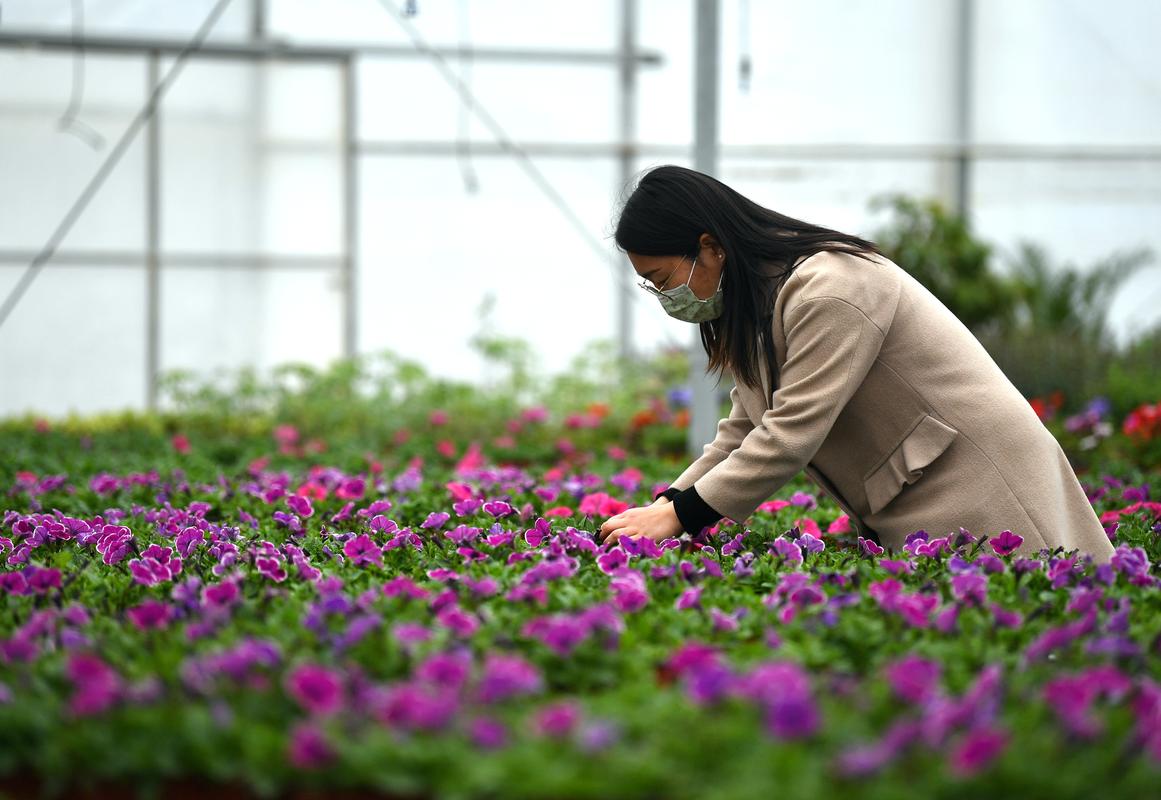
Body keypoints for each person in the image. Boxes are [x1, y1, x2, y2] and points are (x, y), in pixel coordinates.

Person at [597, 165, 1115, 565]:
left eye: (663, 278)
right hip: (918, 493)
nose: (665, 296)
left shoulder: (830, 290)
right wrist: (669, 504)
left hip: (979, 483)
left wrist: (678, 516)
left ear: (710, 247)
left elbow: (790, 432)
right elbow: (742, 430)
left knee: (1049, 652)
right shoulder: (763, 302)